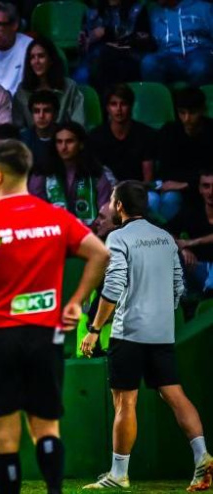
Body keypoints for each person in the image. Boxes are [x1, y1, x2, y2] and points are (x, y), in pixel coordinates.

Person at [0, 139, 109, 494]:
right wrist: (75, 302)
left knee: (4, 438)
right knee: (46, 429)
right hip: (45, 336)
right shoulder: (56, 218)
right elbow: (101, 254)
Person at [81, 181, 213, 491]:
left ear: (119, 206)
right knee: (175, 395)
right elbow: (178, 285)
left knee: (125, 402)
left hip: (129, 333)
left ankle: (118, 474)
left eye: (112, 201)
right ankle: (202, 456)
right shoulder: (165, 238)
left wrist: (95, 329)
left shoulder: (118, 237)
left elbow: (113, 286)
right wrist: (161, 313)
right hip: (162, 332)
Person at [30, 122, 113, 226]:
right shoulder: (42, 174)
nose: (63, 147)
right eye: (59, 142)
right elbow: (34, 209)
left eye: (69, 141)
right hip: (53, 231)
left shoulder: (96, 174)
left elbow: (104, 211)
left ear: (81, 144)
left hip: (91, 232)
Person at [156, 87, 213, 222]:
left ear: (202, 110)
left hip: (206, 189)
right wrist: (190, 180)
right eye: (182, 113)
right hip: (179, 187)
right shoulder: (169, 131)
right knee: (167, 198)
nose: (187, 119)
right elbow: (165, 171)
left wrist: (185, 184)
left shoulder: (211, 131)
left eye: (192, 113)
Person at [75, 0, 155, 91]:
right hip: (96, 58)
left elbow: (141, 39)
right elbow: (84, 47)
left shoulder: (137, 10)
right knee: (81, 75)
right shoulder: (93, 12)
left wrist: (106, 32)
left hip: (128, 56)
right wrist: (84, 42)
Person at [87, 84, 156, 180]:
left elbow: (148, 178)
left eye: (123, 104)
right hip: (108, 188)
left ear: (131, 106)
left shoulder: (146, 134)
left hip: (138, 187)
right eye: (113, 104)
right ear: (107, 108)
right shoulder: (96, 136)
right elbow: (94, 175)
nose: (118, 109)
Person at [12, 37, 85, 128]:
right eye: (32, 57)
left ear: (51, 60)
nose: (36, 61)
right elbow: (18, 128)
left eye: (41, 56)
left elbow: (78, 125)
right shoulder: (22, 90)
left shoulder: (70, 87)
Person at [141, 0, 213, 86]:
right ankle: (158, 94)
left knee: (199, 66)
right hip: (168, 55)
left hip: (199, 51)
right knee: (149, 62)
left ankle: (196, 94)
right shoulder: (154, 11)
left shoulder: (203, 8)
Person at [168, 170, 213, 294]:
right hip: (197, 267)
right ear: (200, 189)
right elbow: (166, 231)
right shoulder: (192, 211)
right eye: (206, 186)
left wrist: (191, 243)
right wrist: (183, 249)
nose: (211, 192)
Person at [19, 90, 59, 175]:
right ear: (31, 114)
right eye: (36, 111)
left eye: (47, 111)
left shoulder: (65, 138)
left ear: (56, 114)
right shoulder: (22, 140)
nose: (41, 116)